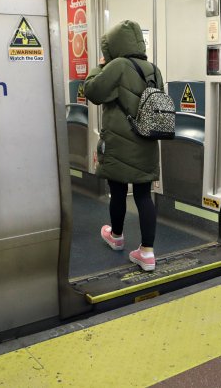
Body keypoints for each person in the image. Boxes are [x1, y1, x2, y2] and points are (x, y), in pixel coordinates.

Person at [83, 19, 164, 272]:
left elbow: (93, 91)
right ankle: (147, 253)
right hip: (147, 140)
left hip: (119, 141)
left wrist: (99, 67)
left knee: (117, 191)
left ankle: (116, 236)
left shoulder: (116, 66)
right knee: (143, 195)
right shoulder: (153, 69)